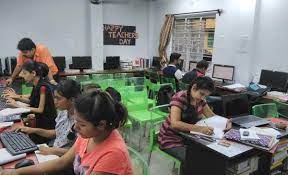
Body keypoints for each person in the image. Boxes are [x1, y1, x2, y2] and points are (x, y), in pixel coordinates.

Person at [0, 90, 133, 175]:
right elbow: (62, 162)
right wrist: (16, 173)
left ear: (101, 125)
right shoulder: (88, 135)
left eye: (81, 124)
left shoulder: (113, 153)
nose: (75, 128)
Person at [158, 76, 231, 173]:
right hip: (171, 139)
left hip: (189, 137)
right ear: (194, 87)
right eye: (201, 94)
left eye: (205, 96)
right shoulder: (179, 98)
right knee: (195, 160)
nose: (203, 98)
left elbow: (212, 116)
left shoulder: (200, 100)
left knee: (214, 155)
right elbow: (175, 124)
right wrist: (200, 129)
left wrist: (226, 122)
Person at [13, 79, 81, 156]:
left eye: (58, 98)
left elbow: (78, 152)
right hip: (54, 151)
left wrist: (52, 150)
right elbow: (57, 133)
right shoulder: (63, 112)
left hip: (63, 159)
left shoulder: (80, 121)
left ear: (72, 100)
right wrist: (32, 130)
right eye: (54, 97)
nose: (55, 101)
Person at [4, 60, 57, 144]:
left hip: (45, 126)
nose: (21, 75)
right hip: (39, 121)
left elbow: (40, 110)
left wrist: (17, 106)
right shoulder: (36, 85)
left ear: (33, 73)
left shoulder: (43, 87)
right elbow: (31, 101)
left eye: (24, 73)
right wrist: (16, 98)